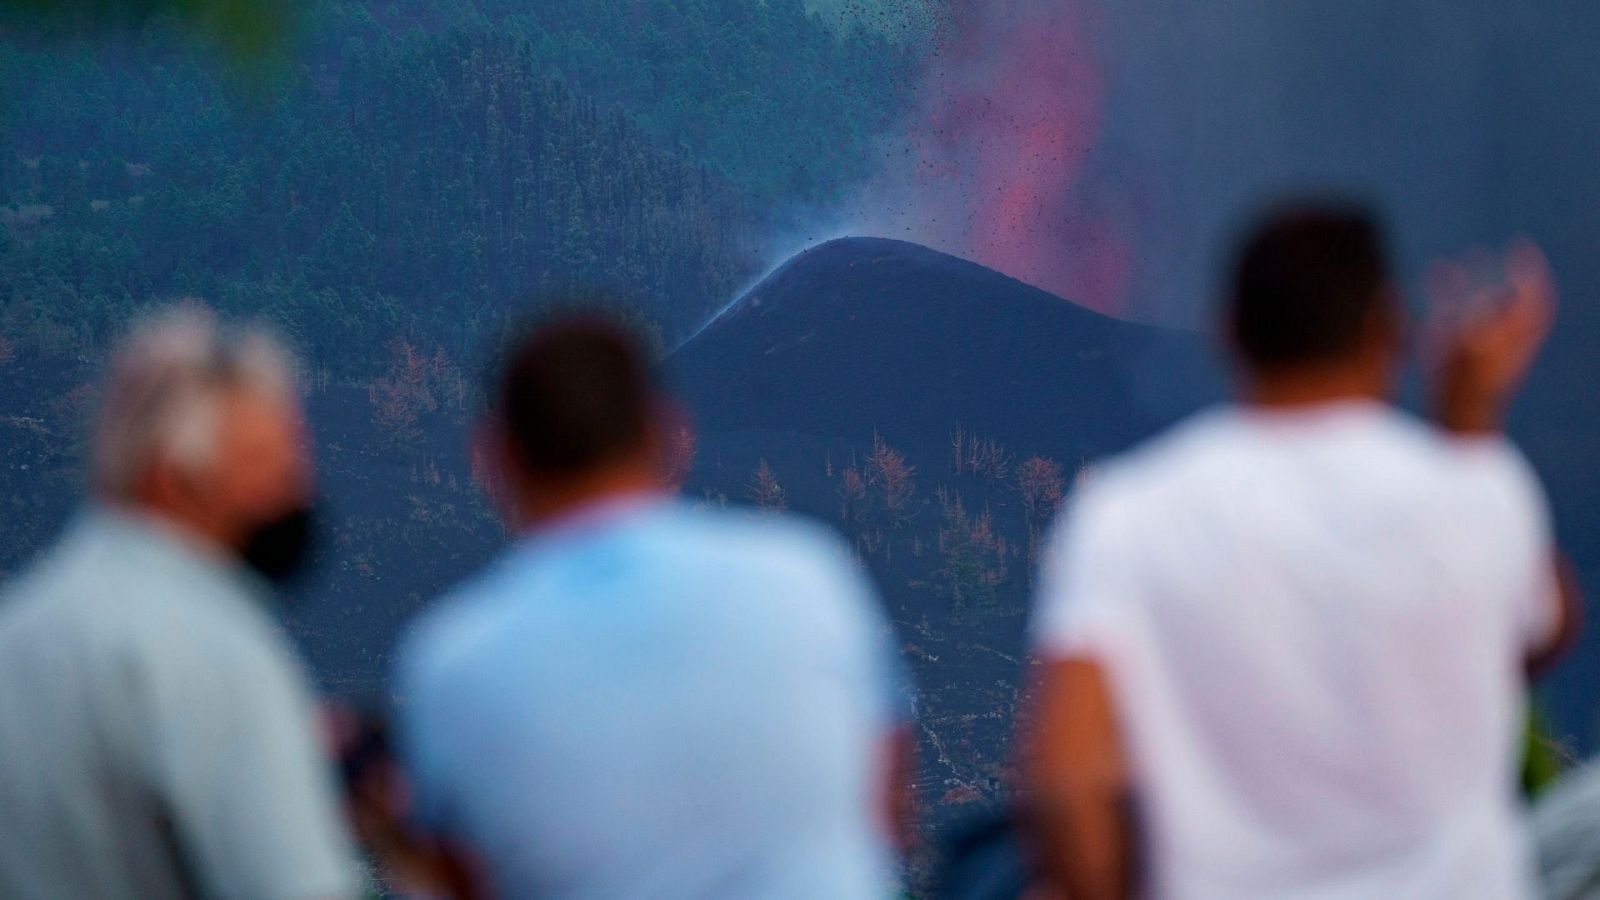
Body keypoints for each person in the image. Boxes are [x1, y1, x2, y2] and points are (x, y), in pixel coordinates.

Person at [1024, 204, 1580, 900]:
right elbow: (1541, 630)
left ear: (1229, 331)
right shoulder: (1476, 498)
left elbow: (1068, 775)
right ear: (1388, 334)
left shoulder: (1129, 517)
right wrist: (1468, 420)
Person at [385, 315, 913, 899]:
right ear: (668, 435)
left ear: (494, 459)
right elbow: (886, 814)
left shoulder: (454, 662)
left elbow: (464, 880)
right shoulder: (809, 576)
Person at [0, 308, 357, 899]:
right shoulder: (221, 653)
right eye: (266, 464)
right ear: (172, 476)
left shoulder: (20, 629)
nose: (297, 492)